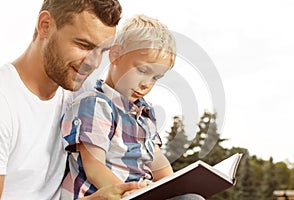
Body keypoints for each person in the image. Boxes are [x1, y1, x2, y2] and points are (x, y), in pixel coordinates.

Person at [0, 0, 143, 199]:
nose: (93, 63)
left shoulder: (83, 92)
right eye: (84, 45)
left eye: (101, 51)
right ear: (45, 26)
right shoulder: (5, 101)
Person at [60, 15, 204, 200]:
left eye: (155, 78)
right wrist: (129, 194)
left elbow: (160, 168)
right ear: (115, 55)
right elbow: (94, 169)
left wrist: (182, 186)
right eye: (143, 71)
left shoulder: (144, 114)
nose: (146, 84)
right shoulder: (95, 105)